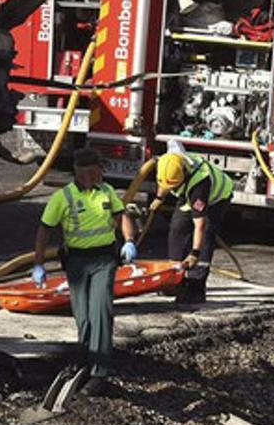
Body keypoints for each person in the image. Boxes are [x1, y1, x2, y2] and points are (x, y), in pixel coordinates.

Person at [33, 147, 137, 396]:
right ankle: (85, 362)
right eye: (91, 172)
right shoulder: (63, 198)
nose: (96, 175)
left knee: (100, 311)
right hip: (78, 263)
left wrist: (129, 240)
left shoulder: (107, 191)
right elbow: (44, 230)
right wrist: (38, 264)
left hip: (104, 260)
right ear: (81, 173)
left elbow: (122, 215)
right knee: (84, 317)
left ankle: (99, 374)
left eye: (97, 171)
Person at [154, 151, 233, 304]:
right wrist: (159, 197)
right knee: (177, 229)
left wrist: (195, 253)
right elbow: (164, 181)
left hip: (217, 198)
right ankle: (174, 279)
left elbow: (200, 224)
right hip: (186, 190)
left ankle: (196, 288)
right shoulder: (168, 162)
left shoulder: (199, 184)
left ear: (184, 173)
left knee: (206, 235)